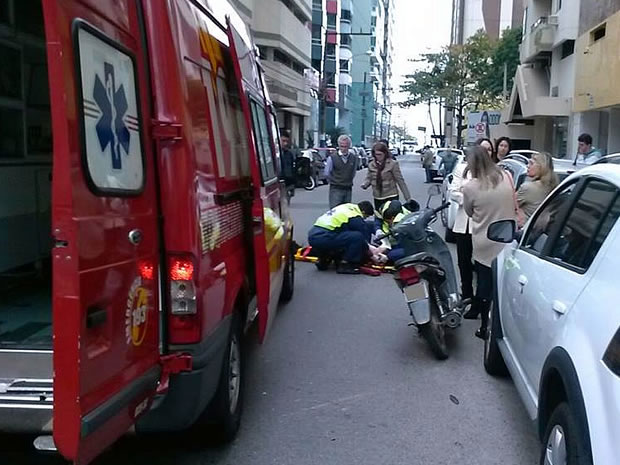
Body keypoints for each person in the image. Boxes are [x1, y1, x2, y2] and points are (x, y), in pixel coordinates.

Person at [463, 146, 517, 339]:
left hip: (484, 240)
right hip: (506, 238)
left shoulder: (470, 187)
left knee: (484, 285)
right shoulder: (507, 177)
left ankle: (485, 326)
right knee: (502, 284)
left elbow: (469, 211)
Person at [308, 201, 375, 274]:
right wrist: (372, 254)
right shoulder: (354, 216)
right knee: (357, 237)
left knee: (342, 235)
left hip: (314, 235)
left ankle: (324, 259)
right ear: (363, 212)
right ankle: (346, 265)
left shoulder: (347, 207)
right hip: (324, 237)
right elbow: (363, 237)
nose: (364, 219)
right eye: (366, 216)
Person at [361, 141, 412, 212]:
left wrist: (407, 197)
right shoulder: (371, 164)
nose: (378, 157)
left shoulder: (392, 164)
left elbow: (400, 180)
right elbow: (369, 177)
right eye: (376, 154)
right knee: (379, 217)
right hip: (377, 196)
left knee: (390, 218)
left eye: (380, 154)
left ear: (385, 154)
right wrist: (365, 184)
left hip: (391, 195)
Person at [517, 152, 558, 225]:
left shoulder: (527, 188)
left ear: (541, 167)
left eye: (531, 163)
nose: (527, 166)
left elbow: (508, 206)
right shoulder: (555, 186)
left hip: (526, 231)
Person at [324, 135, 358, 208]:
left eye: (346, 146)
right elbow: (327, 173)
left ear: (349, 146)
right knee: (335, 210)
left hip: (348, 188)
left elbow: (353, 172)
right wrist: (334, 180)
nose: (344, 148)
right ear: (339, 146)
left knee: (346, 211)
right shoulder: (332, 157)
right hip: (336, 188)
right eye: (342, 146)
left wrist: (348, 180)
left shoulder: (353, 158)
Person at [280, 131, 296, 197]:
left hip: (287, 183)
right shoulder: (271, 153)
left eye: (287, 141)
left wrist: (293, 184)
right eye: (283, 141)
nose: (285, 143)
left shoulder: (289, 154)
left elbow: (292, 169)